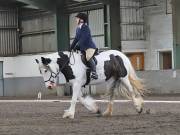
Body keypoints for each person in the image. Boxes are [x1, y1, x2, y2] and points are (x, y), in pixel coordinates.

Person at [70, 12, 98, 79]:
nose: (76, 20)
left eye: (77, 18)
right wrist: (71, 46)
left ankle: (94, 72)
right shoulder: (77, 29)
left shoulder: (85, 27)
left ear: (81, 20)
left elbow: (84, 38)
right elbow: (76, 38)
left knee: (88, 57)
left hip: (89, 47)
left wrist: (77, 46)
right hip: (83, 48)